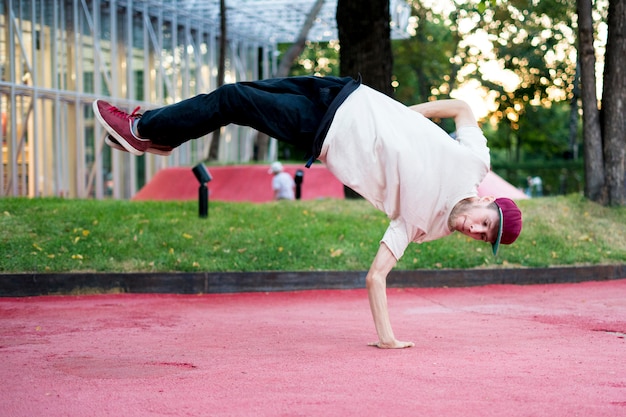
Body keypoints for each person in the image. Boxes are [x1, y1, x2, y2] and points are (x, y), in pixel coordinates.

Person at [93, 75, 523, 349]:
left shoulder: (424, 226)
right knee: (239, 92)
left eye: (481, 237)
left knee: (233, 98)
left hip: (328, 133)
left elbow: (376, 276)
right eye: (484, 224)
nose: (473, 229)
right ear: (487, 201)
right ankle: (162, 136)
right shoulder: (475, 163)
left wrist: (387, 339)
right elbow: (464, 108)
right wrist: (404, 116)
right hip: (345, 93)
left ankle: (143, 130)